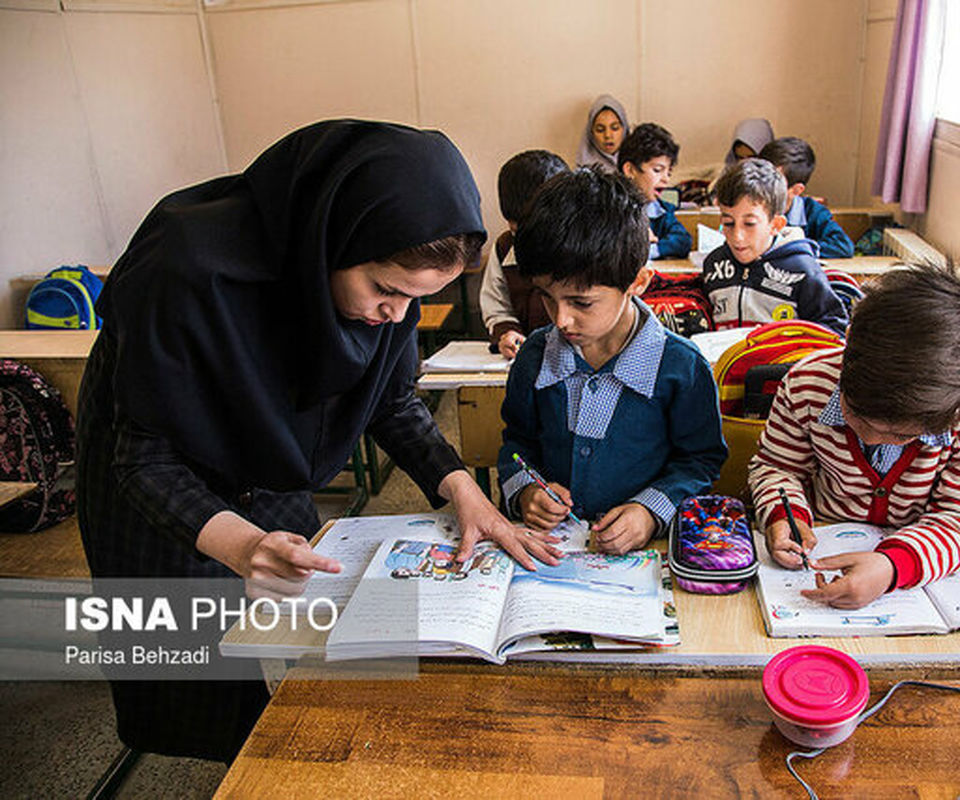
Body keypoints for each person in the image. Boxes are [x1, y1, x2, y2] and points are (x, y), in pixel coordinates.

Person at [76, 120, 561, 762]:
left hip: (271, 470)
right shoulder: (185, 272)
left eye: (416, 300)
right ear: (330, 239)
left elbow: (390, 401)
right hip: (162, 495)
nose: (396, 316)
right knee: (198, 681)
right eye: (387, 291)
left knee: (295, 662)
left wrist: (464, 492)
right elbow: (144, 458)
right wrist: (243, 543)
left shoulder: (380, 289)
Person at [748, 263, 960, 609]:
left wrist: (892, 565)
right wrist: (786, 517)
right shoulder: (806, 385)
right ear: (846, 362)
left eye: (902, 435)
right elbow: (777, 467)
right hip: (822, 540)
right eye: (856, 416)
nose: (872, 439)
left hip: (923, 569)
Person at [497, 168, 727, 555]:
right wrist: (525, 491)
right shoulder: (535, 358)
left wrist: (650, 511)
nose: (560, 319)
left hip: (646, 556)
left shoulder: (681, 368)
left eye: (581, 302)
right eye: (547, 297)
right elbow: (518, 444)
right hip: (552, 554)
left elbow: (700, 461)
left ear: (637, 283)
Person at [702, 158, 847, 335]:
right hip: (723, 361)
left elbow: (835, 328)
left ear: (776, 225)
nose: (737, 237)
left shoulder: (802, 270)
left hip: (783, 361)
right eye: (728, 223)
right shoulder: (714, 263)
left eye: (749, 224)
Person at [479, 149, 570, 358]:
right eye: (515, 230)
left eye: (534, 229)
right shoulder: (504, 248)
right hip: (529, 356)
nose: (524, 240)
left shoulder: (584, 247)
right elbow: (496, 306)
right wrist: (507, 333)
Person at [759, 136, 855, 259]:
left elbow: (843, 247)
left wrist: (795, 246)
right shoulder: (748, 205)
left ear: (796, 190)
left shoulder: (812, 212)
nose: (761, 186)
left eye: (773, 183)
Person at [618, 122, 692, 260]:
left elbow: (683, 240)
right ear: (630, 170)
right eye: (657, 170)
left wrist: (651, 250)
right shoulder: (608, 206)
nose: (665, 179)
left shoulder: (661, 210)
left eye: (669, 172)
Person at [576, 94, 630, 172]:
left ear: (624, 129)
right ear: (591, 133)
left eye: (615, 128)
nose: (607, 135)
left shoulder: (638, 166)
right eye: (600, 130)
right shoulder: (582, 174)